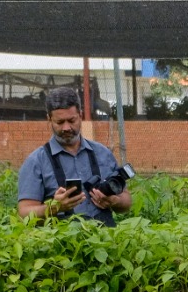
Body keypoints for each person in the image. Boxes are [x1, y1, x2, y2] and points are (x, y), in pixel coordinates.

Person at [16, 86, 133, 224]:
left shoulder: (103, 153)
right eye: (59, 122)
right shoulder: (36, 161)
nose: (66, 128)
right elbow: (24, 213)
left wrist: (114, 201)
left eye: (71, 121)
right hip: (62, 241)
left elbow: (126, 202)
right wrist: (55, 207)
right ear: (49, 119)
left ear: (80, 116)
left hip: (103, 240)